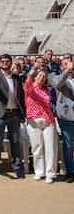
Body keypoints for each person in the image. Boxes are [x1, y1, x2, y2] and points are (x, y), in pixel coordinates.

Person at [0, 54, 26, 178]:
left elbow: (20, 96)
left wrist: (22, 113)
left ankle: (17, 167)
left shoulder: (16, 78)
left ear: (11, 63)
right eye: (2, 61)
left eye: (7, 61)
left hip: (14, 113)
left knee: (15, 141)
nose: (4, 63)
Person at [24, 63, 58, 184]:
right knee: (37, 148)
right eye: (39, 76)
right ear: (35, 76)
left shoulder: (48, 90)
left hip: (48, 121)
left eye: (44, 76)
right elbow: (28, 82)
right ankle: (39, 171)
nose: (41, 78)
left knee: (50, 148)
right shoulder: (30, 88)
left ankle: (50, 173)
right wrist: (32, 71)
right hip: (34, 121)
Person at [48, 55, 74, 183]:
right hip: (66, 117)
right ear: (61, 66)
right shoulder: (55, 76)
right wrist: (66, 71)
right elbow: (58, 84)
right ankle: (70, 172)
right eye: (66, 64)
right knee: (68, 146)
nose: (70, 66)